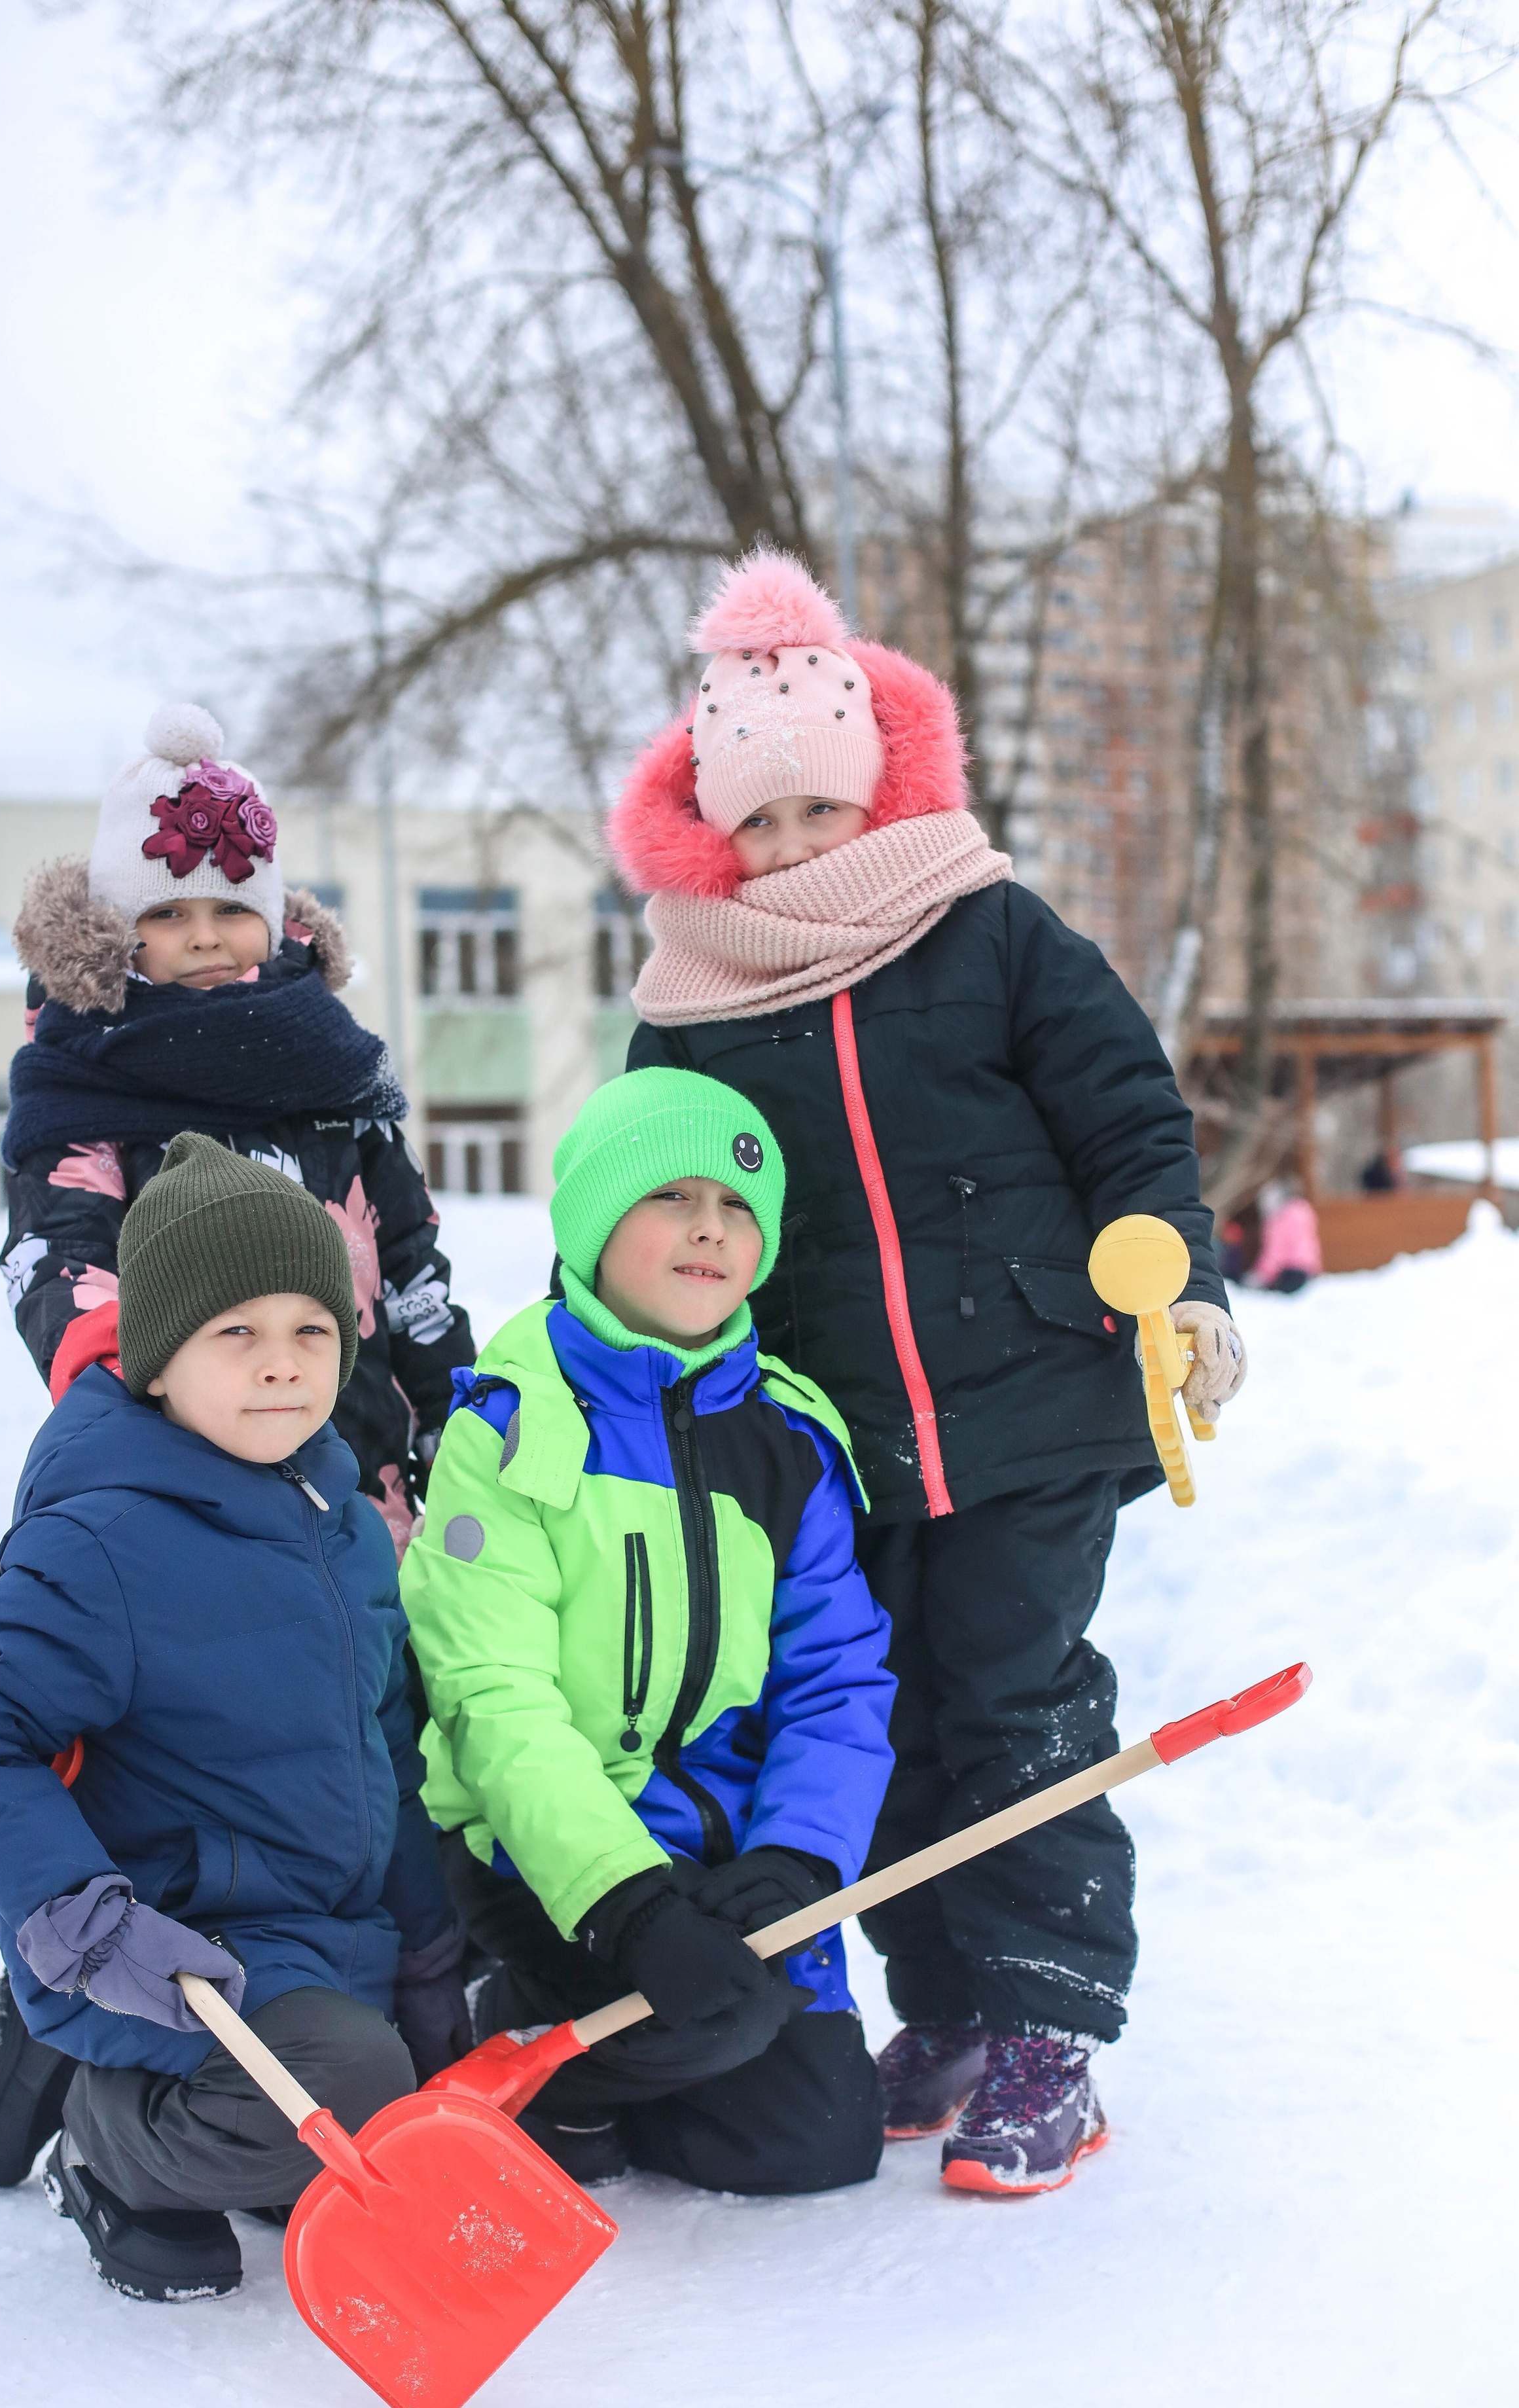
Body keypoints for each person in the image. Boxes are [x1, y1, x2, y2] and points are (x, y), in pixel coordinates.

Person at [613, 548, 1250, 2196]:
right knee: (864, 1720)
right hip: (821, 1443)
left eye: (813, 810)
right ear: (705, 830)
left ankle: (1049, 2024)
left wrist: (1179, 1287)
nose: (786, 848)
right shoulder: (692, 1001)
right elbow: (639, 1206)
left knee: (1008, 1696)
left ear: (879, 784)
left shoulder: (989, 932)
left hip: (1034, 1400)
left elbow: (1125, 1119)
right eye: (751, 824)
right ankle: (947, 2003)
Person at [0, 1137, 469, 2301]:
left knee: (408, 2077)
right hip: (164, 1952)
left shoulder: (343, 1520)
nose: (281, 1367)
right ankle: (105, 2140)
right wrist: (83, 1921)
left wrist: (427, 1946)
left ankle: (255, 2122)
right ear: (158, 1361)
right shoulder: (108, 1537)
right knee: (350, 2081)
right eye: (235, 1334)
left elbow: (380, 1744)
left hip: (311, 1939)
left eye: (311, 1331)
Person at [401, 1068, 897, 2195]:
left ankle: (605, 2093)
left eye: (736, 1209)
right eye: (672, 1198)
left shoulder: (789, 1438)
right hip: (543, 1853)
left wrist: (795, 1860)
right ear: (593, 1219)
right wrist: (624, 1903)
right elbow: (494, 1696)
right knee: (700, 2032)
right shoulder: (513, 1427)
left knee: (815, 2141)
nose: (710, 1231)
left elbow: (837, 1679)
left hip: (723, 1848)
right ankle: (511, 2022)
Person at [1, 702, 474, 1561]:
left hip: (368, 1478)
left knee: (378, 1681)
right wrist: (135, 1419)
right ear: (119, 930)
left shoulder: (326, 1060)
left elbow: (407, 1256)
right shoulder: (85, 1071)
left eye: (230, 907)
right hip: (185, 1482)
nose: (207, 937)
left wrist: (453, 1415)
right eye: (169, 915)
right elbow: (62, 1261)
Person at [1253, 1178, 1322, 1293]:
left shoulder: (1279, 1219)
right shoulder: (1304, 1211)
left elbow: (1275, 1251)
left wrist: (1261, 1275)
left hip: (1289, 1271)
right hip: (1307, 1270)